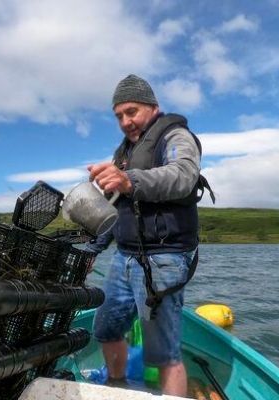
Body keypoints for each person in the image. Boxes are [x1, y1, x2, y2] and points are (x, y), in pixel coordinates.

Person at [86, 74, 206, 396]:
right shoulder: (123, 152)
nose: (125, 121)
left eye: (132, 111)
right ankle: (117, 386)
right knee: (106, 328)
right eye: (119, 116)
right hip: (123, 257)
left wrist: (128, 180)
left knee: (163, 354)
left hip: (163, 259)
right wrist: (94, 249)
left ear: (154, 107)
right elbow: (112, 208)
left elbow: (184, 175)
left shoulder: (176, 136)